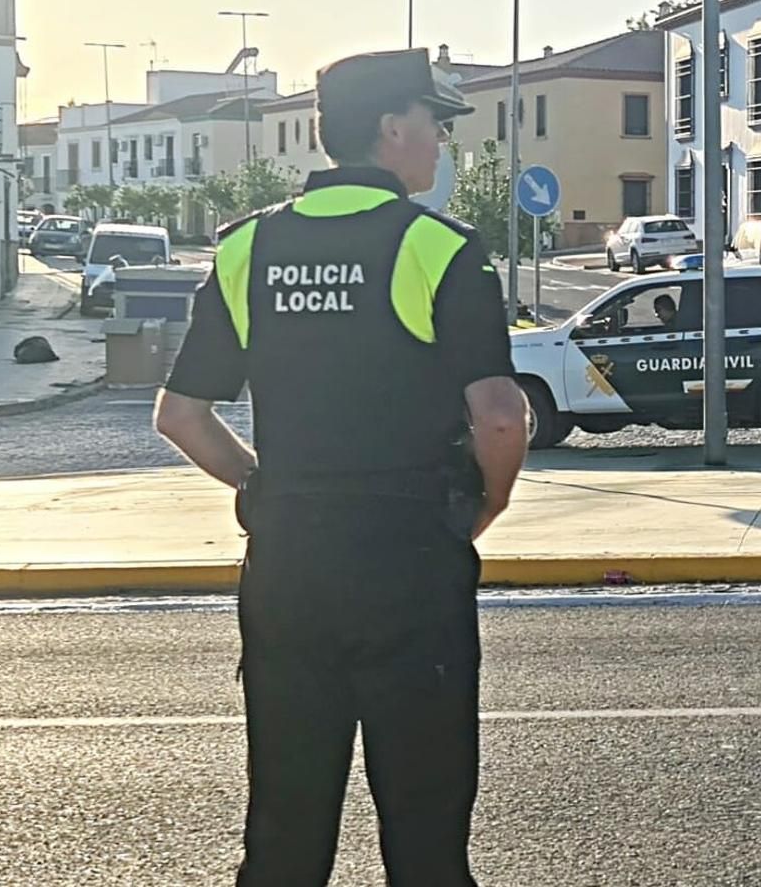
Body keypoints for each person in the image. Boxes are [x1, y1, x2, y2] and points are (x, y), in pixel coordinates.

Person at [153, 47, 530, 887]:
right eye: (435, 126)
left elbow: (180, 414)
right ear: (392, 129)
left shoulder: (246, 248)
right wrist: (484, 505)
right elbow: (500, 415)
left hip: (288, 567)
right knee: (426, 841)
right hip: (410, 560)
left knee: (285, 838)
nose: (442, 145)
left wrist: (263, 488)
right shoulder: (438, 248)